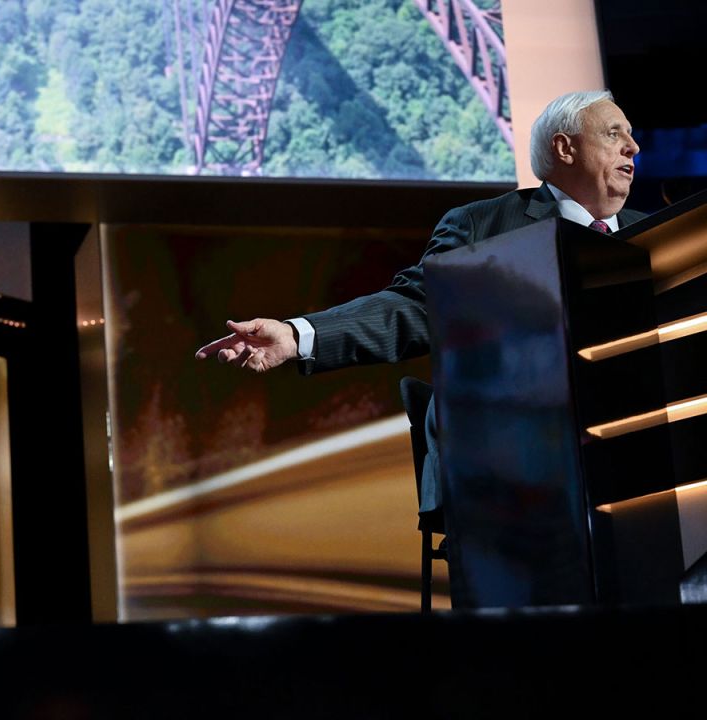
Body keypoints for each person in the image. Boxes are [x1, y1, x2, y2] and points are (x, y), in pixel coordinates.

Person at [194, 90, 645, 594]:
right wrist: (300, 334)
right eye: (614, 134)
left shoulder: (656, 236)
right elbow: (414, 308)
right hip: (516, 477)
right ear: (565, 148)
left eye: (629, 135)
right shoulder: (485, 225)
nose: (633, 147)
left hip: (648, 462)